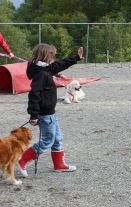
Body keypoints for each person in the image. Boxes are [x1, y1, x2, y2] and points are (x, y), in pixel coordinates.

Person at [17, 44, 84, 177]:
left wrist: (76, 57)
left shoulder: (45, 68)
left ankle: (59, 164)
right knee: (48, 140)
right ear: (46, 56)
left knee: (57, 138)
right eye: (52, 56)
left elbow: (60, 64)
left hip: (50, 113)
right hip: (44, 115)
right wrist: (34, 115)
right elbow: (34, 95)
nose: (54, 58)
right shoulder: (41, 74)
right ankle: (22, 160)